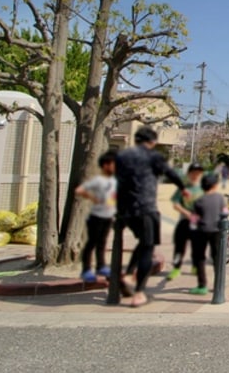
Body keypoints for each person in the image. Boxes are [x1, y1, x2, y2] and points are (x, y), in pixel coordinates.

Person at [116, 126, 188, 308]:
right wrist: (183, 188)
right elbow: (171, 174)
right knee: (148, 247)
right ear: (153, 142)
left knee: (142, 242)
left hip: (125, 211)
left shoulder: (122, 156)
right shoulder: (153, 156)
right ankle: (138, 292)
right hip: (146, 208)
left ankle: (128, 274)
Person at [75, 151, 117, 283]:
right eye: (114, 164)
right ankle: (86, 269)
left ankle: (101, 266)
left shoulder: (114, 181)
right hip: (96, 217)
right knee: (92, 243)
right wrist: (93, 198)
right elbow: (80, 190)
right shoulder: (98, 180)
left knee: (102, 242)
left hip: (108, 216)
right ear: (105, 165)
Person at [188, 172, 228, 295]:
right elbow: (225, 213)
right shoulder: (220, 198)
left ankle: (202, 285)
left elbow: (194, 219)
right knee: (217, 258)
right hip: (216, 232)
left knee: (200, 258)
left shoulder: (199, 201)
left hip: (202, 231)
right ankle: (219, 284)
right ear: (215, 185)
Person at [166, 163, 205, 281]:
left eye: (198, 173)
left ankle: (195, 266)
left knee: (196, 247)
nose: (195, 176)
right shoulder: (183, 188)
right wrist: (187, 214)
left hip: (198, 223)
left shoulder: (204, 189)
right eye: (193, 173)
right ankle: (176, 268)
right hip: (184, 222)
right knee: (179, 247)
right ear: (189, 174)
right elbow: (176, 204)